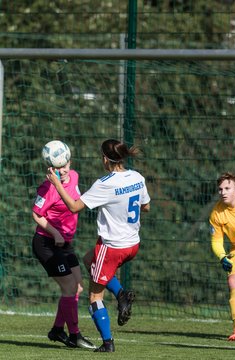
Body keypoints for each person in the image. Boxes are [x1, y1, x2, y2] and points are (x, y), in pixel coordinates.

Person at [47, 138, 151, 352]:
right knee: (88, 259)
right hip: (133, 244)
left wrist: (57, 184)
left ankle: (107, 343)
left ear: (105, 159)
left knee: (95, 296)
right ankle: (121, 294)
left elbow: (75, 207)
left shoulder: (104, 184)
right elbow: (146, 206)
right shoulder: (137, 177)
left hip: (112, 247)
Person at [32, 143, 96, 350]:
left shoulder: (75, 176)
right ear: (51, 168)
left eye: (66, 164)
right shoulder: (48, 187)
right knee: (69, 286)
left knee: (77, 286)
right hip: (47, 243)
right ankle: (75, 335)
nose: (65, 170)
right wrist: (55, 232)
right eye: (59, 167)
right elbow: (36, 214)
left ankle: (58, 329)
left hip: (65, 244)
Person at [210, 172, 235, 341]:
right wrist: (222, 257)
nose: (223, 192)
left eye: (228, 188)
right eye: (220, 189)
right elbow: (216, 241)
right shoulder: (217, 213)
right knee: (234, 281)